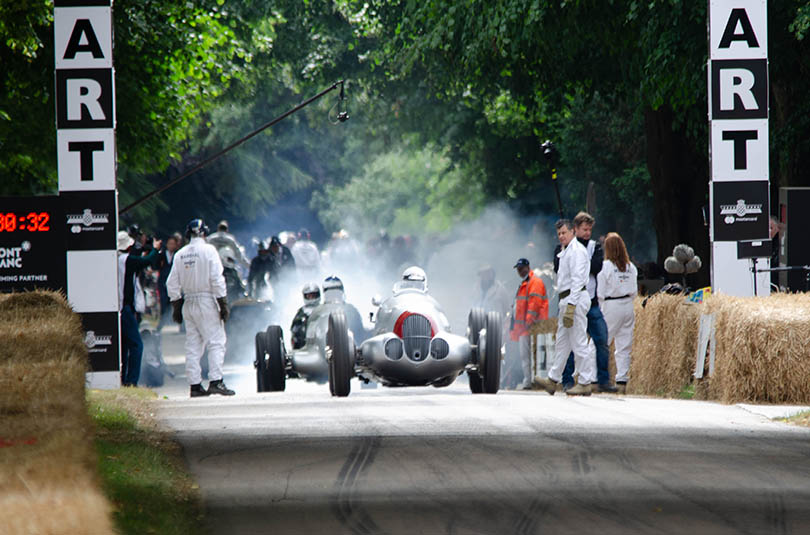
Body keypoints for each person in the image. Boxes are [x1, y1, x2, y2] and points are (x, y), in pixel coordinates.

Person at [167, 219, 234, 397]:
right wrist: (223, 304)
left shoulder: (180, 254)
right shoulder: (209, 250)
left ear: (188, 234)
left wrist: (176, 306)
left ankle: (195, 385)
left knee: (193, 346)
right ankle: (216, 381)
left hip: (188, 302)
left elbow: (171, 284)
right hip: (206, 300)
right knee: (216, 342)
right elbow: (217, 279)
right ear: (204, 233)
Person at [553, 211, 617, 393]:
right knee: (567, 341)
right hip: (571, 298)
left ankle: (601, 380)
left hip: (589, 300)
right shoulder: (563, 248)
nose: (587, 233)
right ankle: (566, 380)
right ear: (575, 229)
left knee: (600, 341)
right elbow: (558, 267)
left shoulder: (592, 247)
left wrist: (580, 263)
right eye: (584, 229)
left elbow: (597, 267)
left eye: (589, 229)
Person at [535, 219, 595, 396]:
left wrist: (571, 306)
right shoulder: (566, 250)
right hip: (566, 299)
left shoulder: (576, 251)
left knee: (578, 341)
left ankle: (585, 382)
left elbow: (577, 280)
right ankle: (553, 379)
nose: (561, 236)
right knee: (562, 343)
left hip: (574, 298)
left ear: (572, 232)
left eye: (564, 232)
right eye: (559, 234)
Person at [118, 230, 161, 387]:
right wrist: (155, 248)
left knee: (124, 347)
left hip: (118, 309)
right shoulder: (126, 260)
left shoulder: (116, 260)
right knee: (136, 345)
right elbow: (146, 261)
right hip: (125, 309)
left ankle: (123, 379)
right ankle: (132, 381)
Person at [597, 232, 638, 394]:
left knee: (602, 342)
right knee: (624, 344)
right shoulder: (631, 267)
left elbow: (600, 292)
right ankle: (622, 380)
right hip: (628, 305)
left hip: (611, 304)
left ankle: (595, 378)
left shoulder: (606, 266)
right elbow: (635, 291)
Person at [509, 258, 548, 390]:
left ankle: (531, 382)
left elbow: (534, 303)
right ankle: (529, 381)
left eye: (521, 268)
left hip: (532, 326)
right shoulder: (525, 283)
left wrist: (529, 321)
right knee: (526, 356)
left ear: (528, 267)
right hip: (525, 327)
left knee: (530, 356)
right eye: (518, 269)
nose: (519, 271)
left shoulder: (534, 282)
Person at [323, 275, 366, 342]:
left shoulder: (351, 310)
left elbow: (360, 334)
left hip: (351, 348)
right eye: (331, 294)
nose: (334, 296)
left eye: (336, 293)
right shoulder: (320, 312)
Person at [156, 232, 181, 331]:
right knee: (163, 302)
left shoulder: (178, 255)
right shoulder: (161, 254)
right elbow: (156, 265)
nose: (171, 246)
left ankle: (180, 324)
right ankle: (161, 324)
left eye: (173, 244)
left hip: (175, 282)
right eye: (169, 243)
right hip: (163, 281)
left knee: (176, 303)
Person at [291, 282, 321, 349]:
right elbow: (294, 327)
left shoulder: (323, 308)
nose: (311, 298)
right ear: (305, 296)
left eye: (313, 295)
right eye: (309, 296)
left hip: (322, 335)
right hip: (304, 340)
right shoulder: (301, 311)